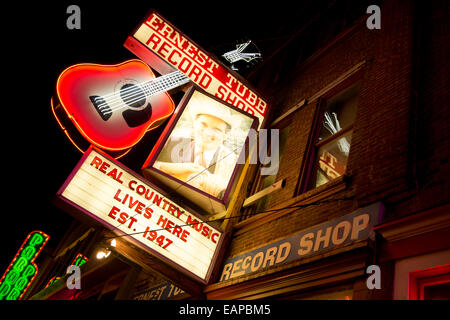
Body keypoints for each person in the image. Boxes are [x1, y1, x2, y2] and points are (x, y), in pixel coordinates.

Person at [154, 103, 237, 198]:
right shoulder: (170, 142)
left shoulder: (233, 163)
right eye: (203, 125)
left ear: (225, 135)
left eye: (217, 130)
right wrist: (169, 168)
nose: (207, 133)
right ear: (195, 123)